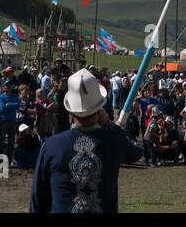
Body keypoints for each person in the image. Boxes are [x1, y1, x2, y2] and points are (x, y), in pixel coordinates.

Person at [29, 69, 143, 213]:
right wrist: (109, 124)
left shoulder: (51, 146)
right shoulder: (114, 141)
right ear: (100, 108)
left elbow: (38, 199)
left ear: (70, 110)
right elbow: (137, 150)